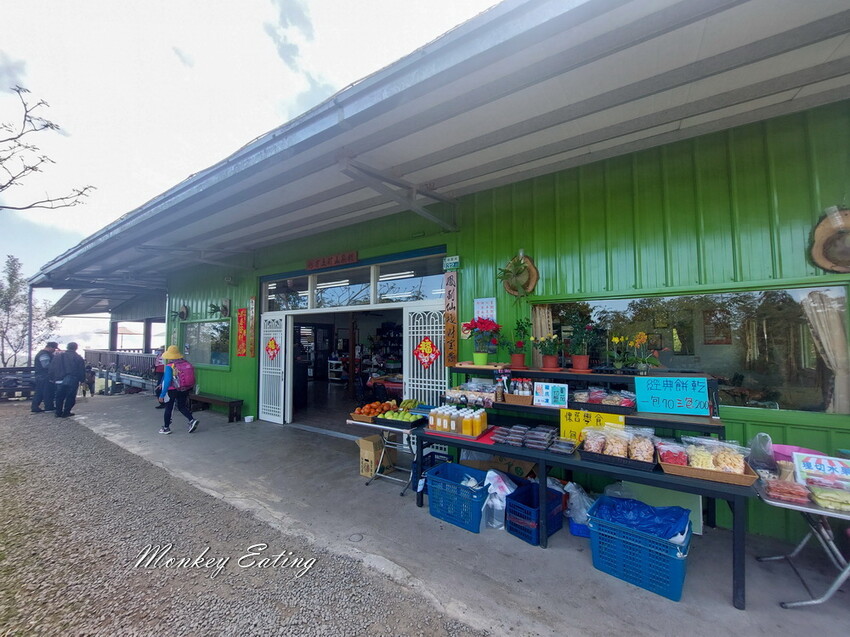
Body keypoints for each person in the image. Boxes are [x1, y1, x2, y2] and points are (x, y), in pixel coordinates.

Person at [158, 345, 199, 435]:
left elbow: (167, 381)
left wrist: (162, 395)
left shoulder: (170, 366)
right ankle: (192, 420)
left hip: (172, 390)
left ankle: (166, 428)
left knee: (168, 408)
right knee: (181, 406)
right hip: (184, 388)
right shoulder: (186, 363)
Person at [48, 342, 86, 418]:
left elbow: (52, 368)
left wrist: (51, 377)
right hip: (72, 379)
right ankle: (66, 412)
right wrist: (82, 380)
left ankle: (58, 412)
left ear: (67, 347)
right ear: (76, 348)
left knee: (59, 396)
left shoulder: (57, 356)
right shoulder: (78, 357)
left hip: (59, 379)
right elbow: (81, 370)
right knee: (70, 397)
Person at [30, 341, 59, 413]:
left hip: (40, 376)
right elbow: (46, 365)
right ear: (50, 347)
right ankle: (49, 407)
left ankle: (35, 406)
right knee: (48, 391)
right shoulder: (44, 354)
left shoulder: (42, 353)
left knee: (39, 392)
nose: (54, 350)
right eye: (54, 348)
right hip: (45, 376)